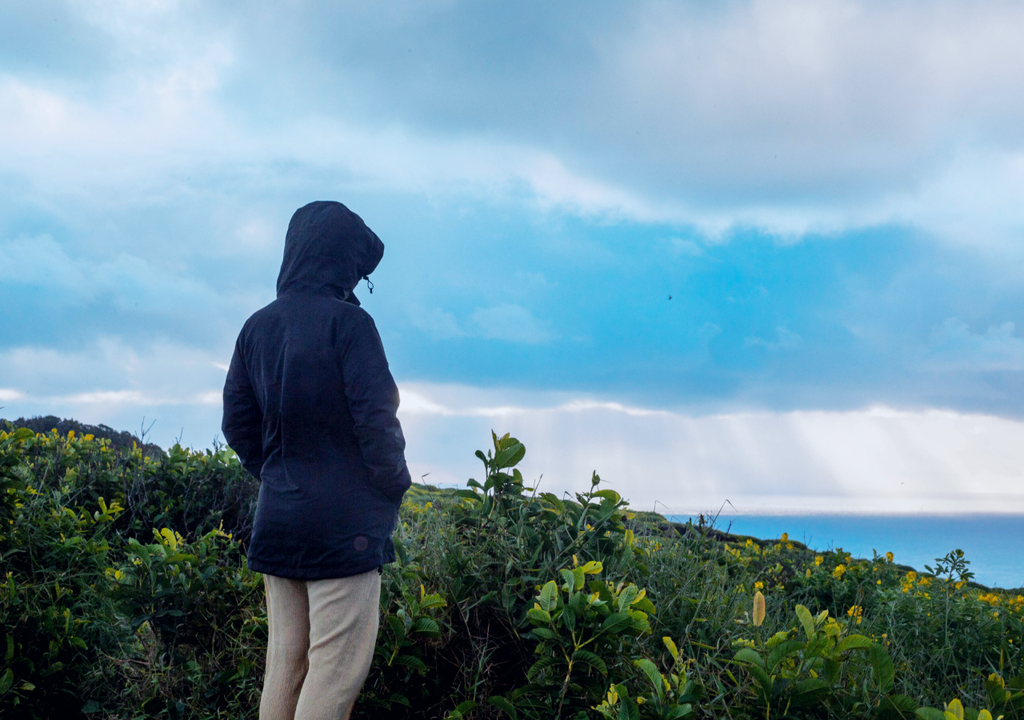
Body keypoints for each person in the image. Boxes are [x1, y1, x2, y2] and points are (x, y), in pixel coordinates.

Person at [222, 201, 412, 720]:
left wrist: (279, 476)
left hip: (277, 522)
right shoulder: (351, 326)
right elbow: (379, 423)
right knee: (332, 677)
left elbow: (236, 425)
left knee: (285, 667)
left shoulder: (256, 328)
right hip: (344, 531)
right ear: (343, 261)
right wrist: (389, 489)